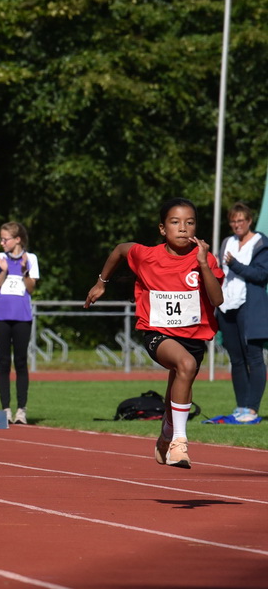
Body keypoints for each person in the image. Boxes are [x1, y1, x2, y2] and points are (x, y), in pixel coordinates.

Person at [85, 197, 224, 469]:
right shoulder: (146, 255)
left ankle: (165, 437)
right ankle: (179, 443)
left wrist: (204, 265)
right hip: (157, 333)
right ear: (162, 228)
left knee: (178, 387)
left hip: (193, 337)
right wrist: (101, 282)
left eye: (189, 222)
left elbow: (217, 300)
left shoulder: (204, 259)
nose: (183, 228)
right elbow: (120, 250)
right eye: (175, 222)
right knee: (185, 364)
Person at [217, 202, 268, 423]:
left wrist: (235, 265)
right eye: (233, 221)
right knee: (236, 360)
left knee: (254, 357)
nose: (237, 225)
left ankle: (252, 408)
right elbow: (220, 271)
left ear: (249, 221)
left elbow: (261, 275)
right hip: (226, 305)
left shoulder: (261, 243)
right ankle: (241, 406)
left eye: (240, 221)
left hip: (249, 306)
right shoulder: (227, 242)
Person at [0, 222, 39, 425]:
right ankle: (6, 409)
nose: (2, 242)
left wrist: (25, 270)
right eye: (0, 239)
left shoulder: (31, 258)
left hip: (22, 317)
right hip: (0, 316)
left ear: (17, 239)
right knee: (3, 361)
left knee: (20, 361)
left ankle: (21, 410)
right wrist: (4, 270)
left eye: (5, 239)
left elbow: (31, 288)